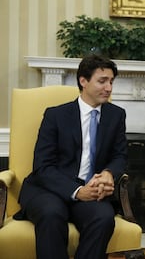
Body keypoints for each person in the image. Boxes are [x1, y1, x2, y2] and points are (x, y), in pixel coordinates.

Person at [14, 55, 128, 259]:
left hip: (92, 191)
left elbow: (119, 156)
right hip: (49, 189)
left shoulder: (116, 115)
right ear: (83, 81)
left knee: (103, 218)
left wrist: (109, 174)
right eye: (102, 81)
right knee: (51, 214)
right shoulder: (55, 115)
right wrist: (76, 191)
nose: (109, 88)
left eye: (111, 81)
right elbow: (43, 166)